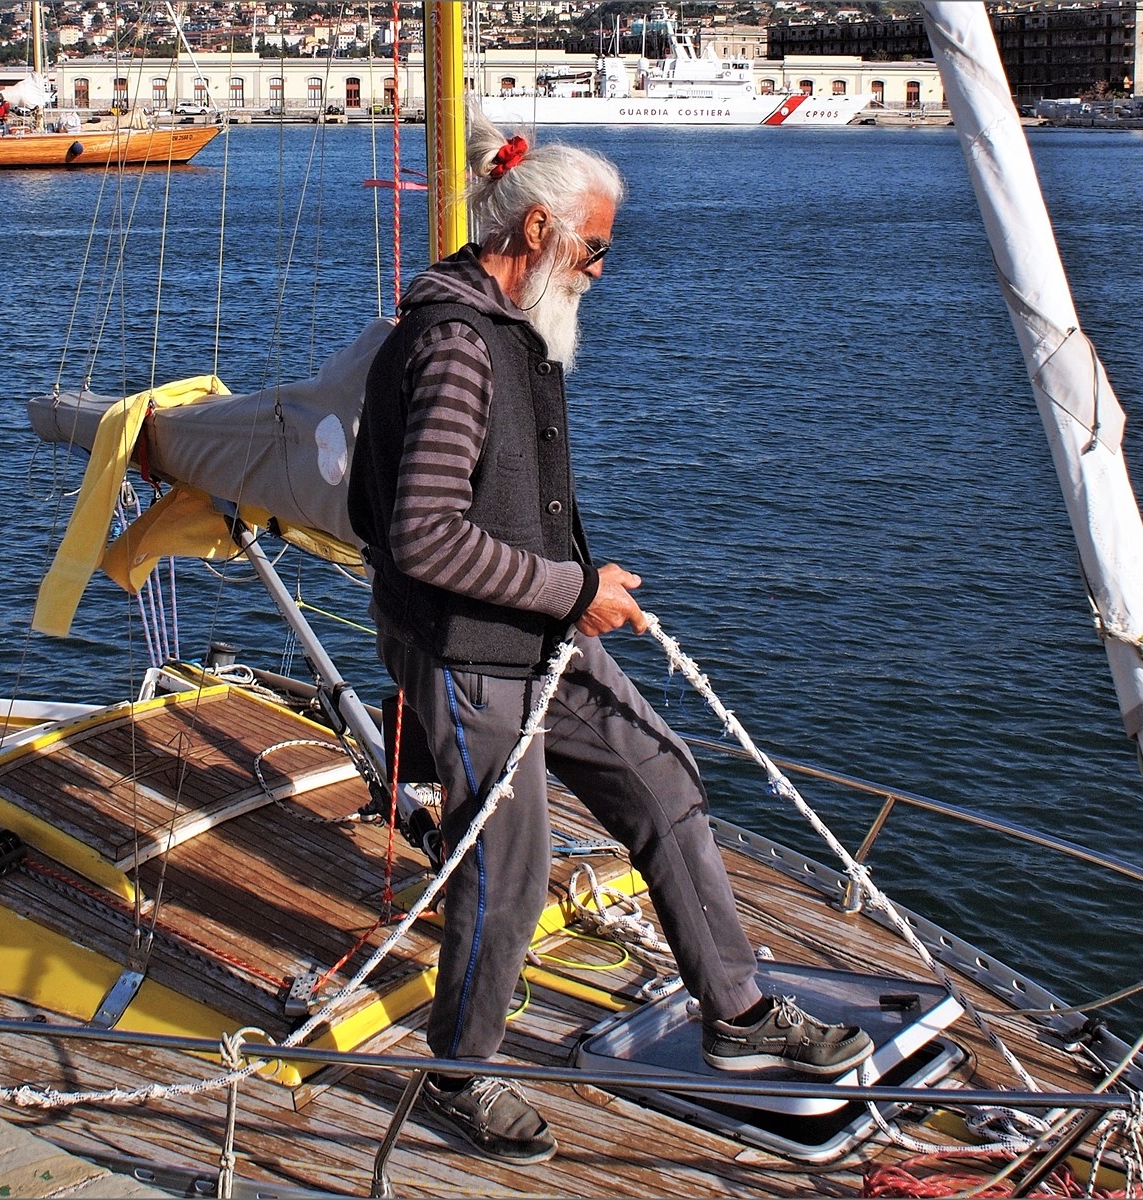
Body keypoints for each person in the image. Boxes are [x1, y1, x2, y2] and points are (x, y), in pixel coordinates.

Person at [346, 107, 874, 1167]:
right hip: (464, 648)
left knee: (660, 775)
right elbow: (421, 537)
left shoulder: (506, 331)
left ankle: (736, 1014)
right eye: (594, 247)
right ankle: (461, 1076)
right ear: (536, 230)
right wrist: (570, 589)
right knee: (511, 860)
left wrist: (564, 595)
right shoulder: (456, 347)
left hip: (530, 631)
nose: (599, 269)